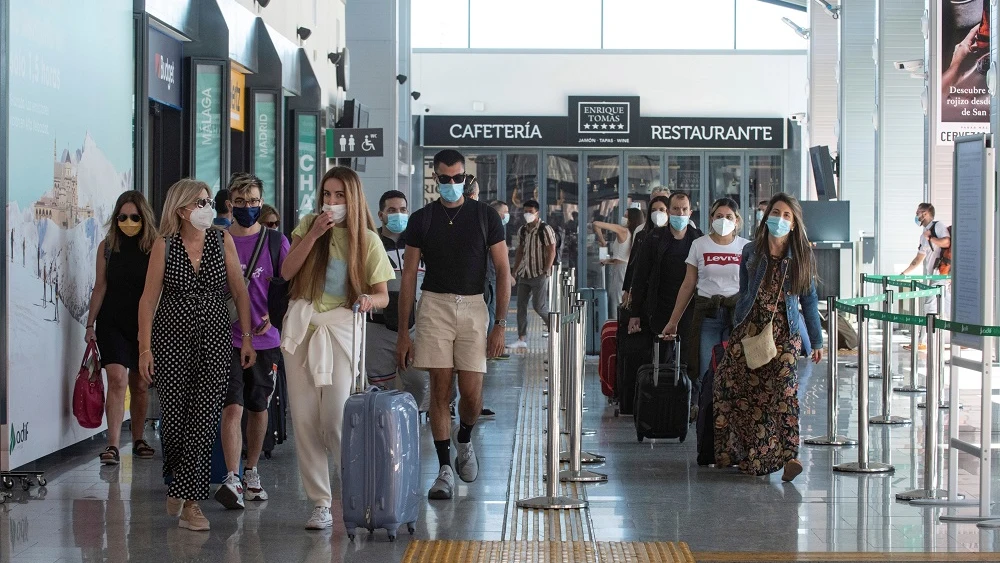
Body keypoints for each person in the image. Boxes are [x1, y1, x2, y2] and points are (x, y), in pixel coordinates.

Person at [138, 179, 256, 532]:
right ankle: (178, 480)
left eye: (208, 201)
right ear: (181, 209)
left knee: (204, 421)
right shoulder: (164, 244)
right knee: (174, 423)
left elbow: (239, 291)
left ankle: (191, 503)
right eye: (199, 202)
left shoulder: (223, 241)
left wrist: (246, 337)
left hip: (216, 339)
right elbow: (148, 299)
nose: (207, 207)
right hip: (171, 338)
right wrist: (145, 348)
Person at [280, 167, 393, 530]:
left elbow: (383, 296)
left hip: (342, 330)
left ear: (353, 198)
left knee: (335, 418)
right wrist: (313, 234)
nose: (331, 202)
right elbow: (287, 272)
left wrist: (366, 300)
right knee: (304, 420)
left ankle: (354, 491)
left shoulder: (368, 242)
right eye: (327, 195)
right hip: (302, 327)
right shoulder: (307, 226)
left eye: (339, 196)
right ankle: (320, 503)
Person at [397, 149, 510, 501]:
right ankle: (444, 467)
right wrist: (404, 331)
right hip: (434, 305)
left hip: (475, 306)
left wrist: (501, 324)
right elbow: (409, 277)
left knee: (472, 393)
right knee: (440, 388)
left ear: (466, 178)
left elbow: (504, 271)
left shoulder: (485, 216)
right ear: (435, 179)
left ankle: (464, 438)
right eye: (444, 179)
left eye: (457, 178)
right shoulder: (422, 219)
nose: (451, 184)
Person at [708, 193, 823, 481]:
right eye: (776, 213)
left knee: (783, 392)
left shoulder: (802, 256)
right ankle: (749, 454)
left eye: (786, 215)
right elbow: (745, 292)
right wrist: (736, 324)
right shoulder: (751, 251)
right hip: (751, 327)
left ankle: (790, 457)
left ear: (794, 223)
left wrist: (817, 341)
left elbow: (809, 301)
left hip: (785, 333)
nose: (780, 219)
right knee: (731, 385)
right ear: (766, 216)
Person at [215, 173, 290, 510]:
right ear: (230, 202)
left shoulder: (276, 241)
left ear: (262, 202)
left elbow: (289, 286)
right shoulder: (216, 240)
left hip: (266, 339)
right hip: (225, 337)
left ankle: (251, 471)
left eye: (253, 201)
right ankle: (232, 477)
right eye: (241, 201)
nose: (247, 207)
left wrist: (273, 318)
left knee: (259, 406)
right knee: (232, 404)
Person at [84, 190, 158, 466]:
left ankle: (138, 438)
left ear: (144, 218)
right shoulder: (107, 247)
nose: (128, 221)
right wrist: (90, 324)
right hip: (112, 321)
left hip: (143, 324)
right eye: (123, 216)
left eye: (134, 217)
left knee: (139, 384)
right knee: (116, 379)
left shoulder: (155, 248)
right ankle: (113, 444)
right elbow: (99, 287)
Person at [663, 198, 749, 384]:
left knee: (734, 372)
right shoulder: (699, 245)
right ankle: (705, 410)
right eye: (719, 216)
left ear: (736, 220)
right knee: (706, 372)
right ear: (711, 218)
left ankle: (729, 413)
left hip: (737, 317)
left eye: (728, 216)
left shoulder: (746, 247)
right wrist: (673, 321)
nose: (723, 220)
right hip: (707, 316)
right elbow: (688, 284)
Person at [366, 189, 429, 411]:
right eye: (391, 210)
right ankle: (385, 433)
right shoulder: (369, 243)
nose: (398, 214)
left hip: (414, 327)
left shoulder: (419, 244)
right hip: (378, 327)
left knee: (419, 383)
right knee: (380, 388)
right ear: (380, 215)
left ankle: (408, 423)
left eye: (403, 210)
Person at [901, 203, 951, 349]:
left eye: (919, 212)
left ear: (926, 213)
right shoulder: (924, 234)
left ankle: (921, 341)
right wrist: (904, 274)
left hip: (940, 274)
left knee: (929, 305)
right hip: (933, 276)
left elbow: (946, 242)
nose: (916, 215)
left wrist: (931, 239)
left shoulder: (938, 226)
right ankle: (964, 337)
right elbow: (918, 259)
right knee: (948, 306)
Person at [509, 200, 555, 350]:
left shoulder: (545, 229)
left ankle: (555, 329)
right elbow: (520, 251)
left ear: (537, 212)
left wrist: (546, 269)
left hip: (539, 273)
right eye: (525, 211)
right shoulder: (523, 230)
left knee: (539, 306)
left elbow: (551, 250)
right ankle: (521, 338)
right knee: (520, 305)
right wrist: (514, 271)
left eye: (530, 211)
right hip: (525, 273)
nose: (527, 214)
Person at [594, 208, 645, 319]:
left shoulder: (622, 230)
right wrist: (609, 261)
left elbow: (596, 224)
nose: (623, 218)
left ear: (632, 219)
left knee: (616, 299)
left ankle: (616, 324)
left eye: (626, 216)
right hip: (621, 266)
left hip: (621, 269)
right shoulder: (633, 233)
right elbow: (622, 256)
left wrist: (602, 240)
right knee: (618, 298)